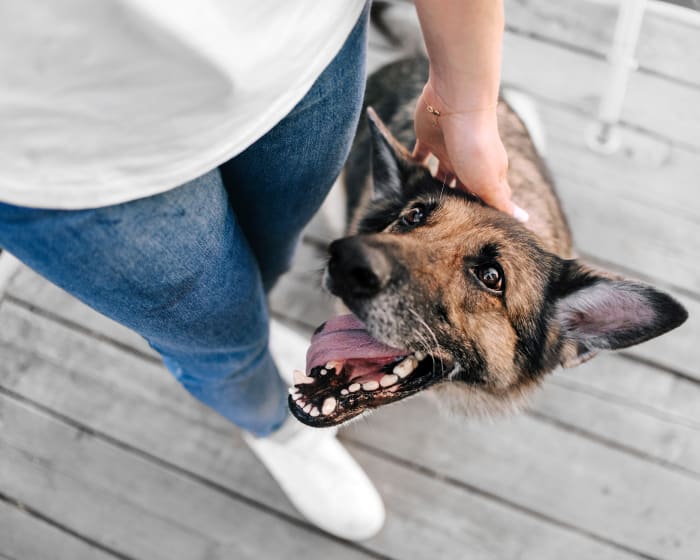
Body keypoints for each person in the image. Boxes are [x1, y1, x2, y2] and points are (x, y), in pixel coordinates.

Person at [0, 0, 526, 540]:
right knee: (217, 342)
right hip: (55, 139)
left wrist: (465, 106)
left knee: (270, 257)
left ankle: (256, 311)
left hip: (302, 47)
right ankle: (277, 429)